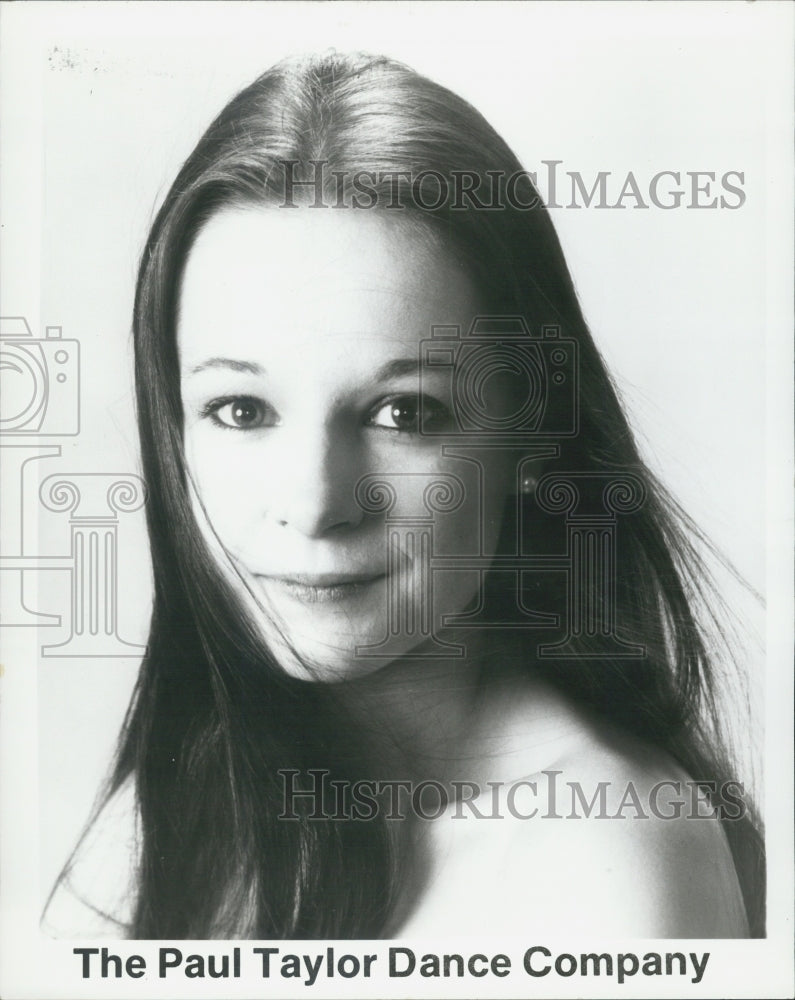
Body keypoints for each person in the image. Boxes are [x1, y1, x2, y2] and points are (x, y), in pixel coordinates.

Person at [43, 51, 764, 940]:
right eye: (240, 409)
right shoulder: (165, 818)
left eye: (401, 413)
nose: (314, 504)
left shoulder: (608, 866)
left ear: (533, 429)